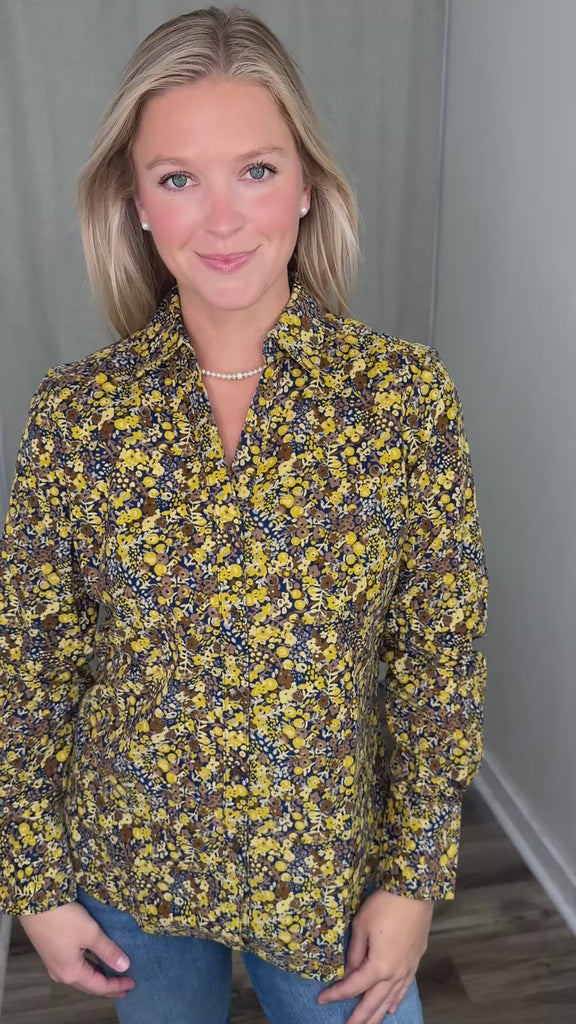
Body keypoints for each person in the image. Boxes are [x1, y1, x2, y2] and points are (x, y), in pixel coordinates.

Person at [0, 6, 489, 1024]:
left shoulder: (399, 399)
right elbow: (30, 666)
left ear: (306, 184)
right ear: (136, 202)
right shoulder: (79, 415)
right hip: (130, 866)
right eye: (179, 178)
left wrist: (413, 879)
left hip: (326, 871)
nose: (221, 219)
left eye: (256, 170)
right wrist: (34, 882)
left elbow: (437, 660)